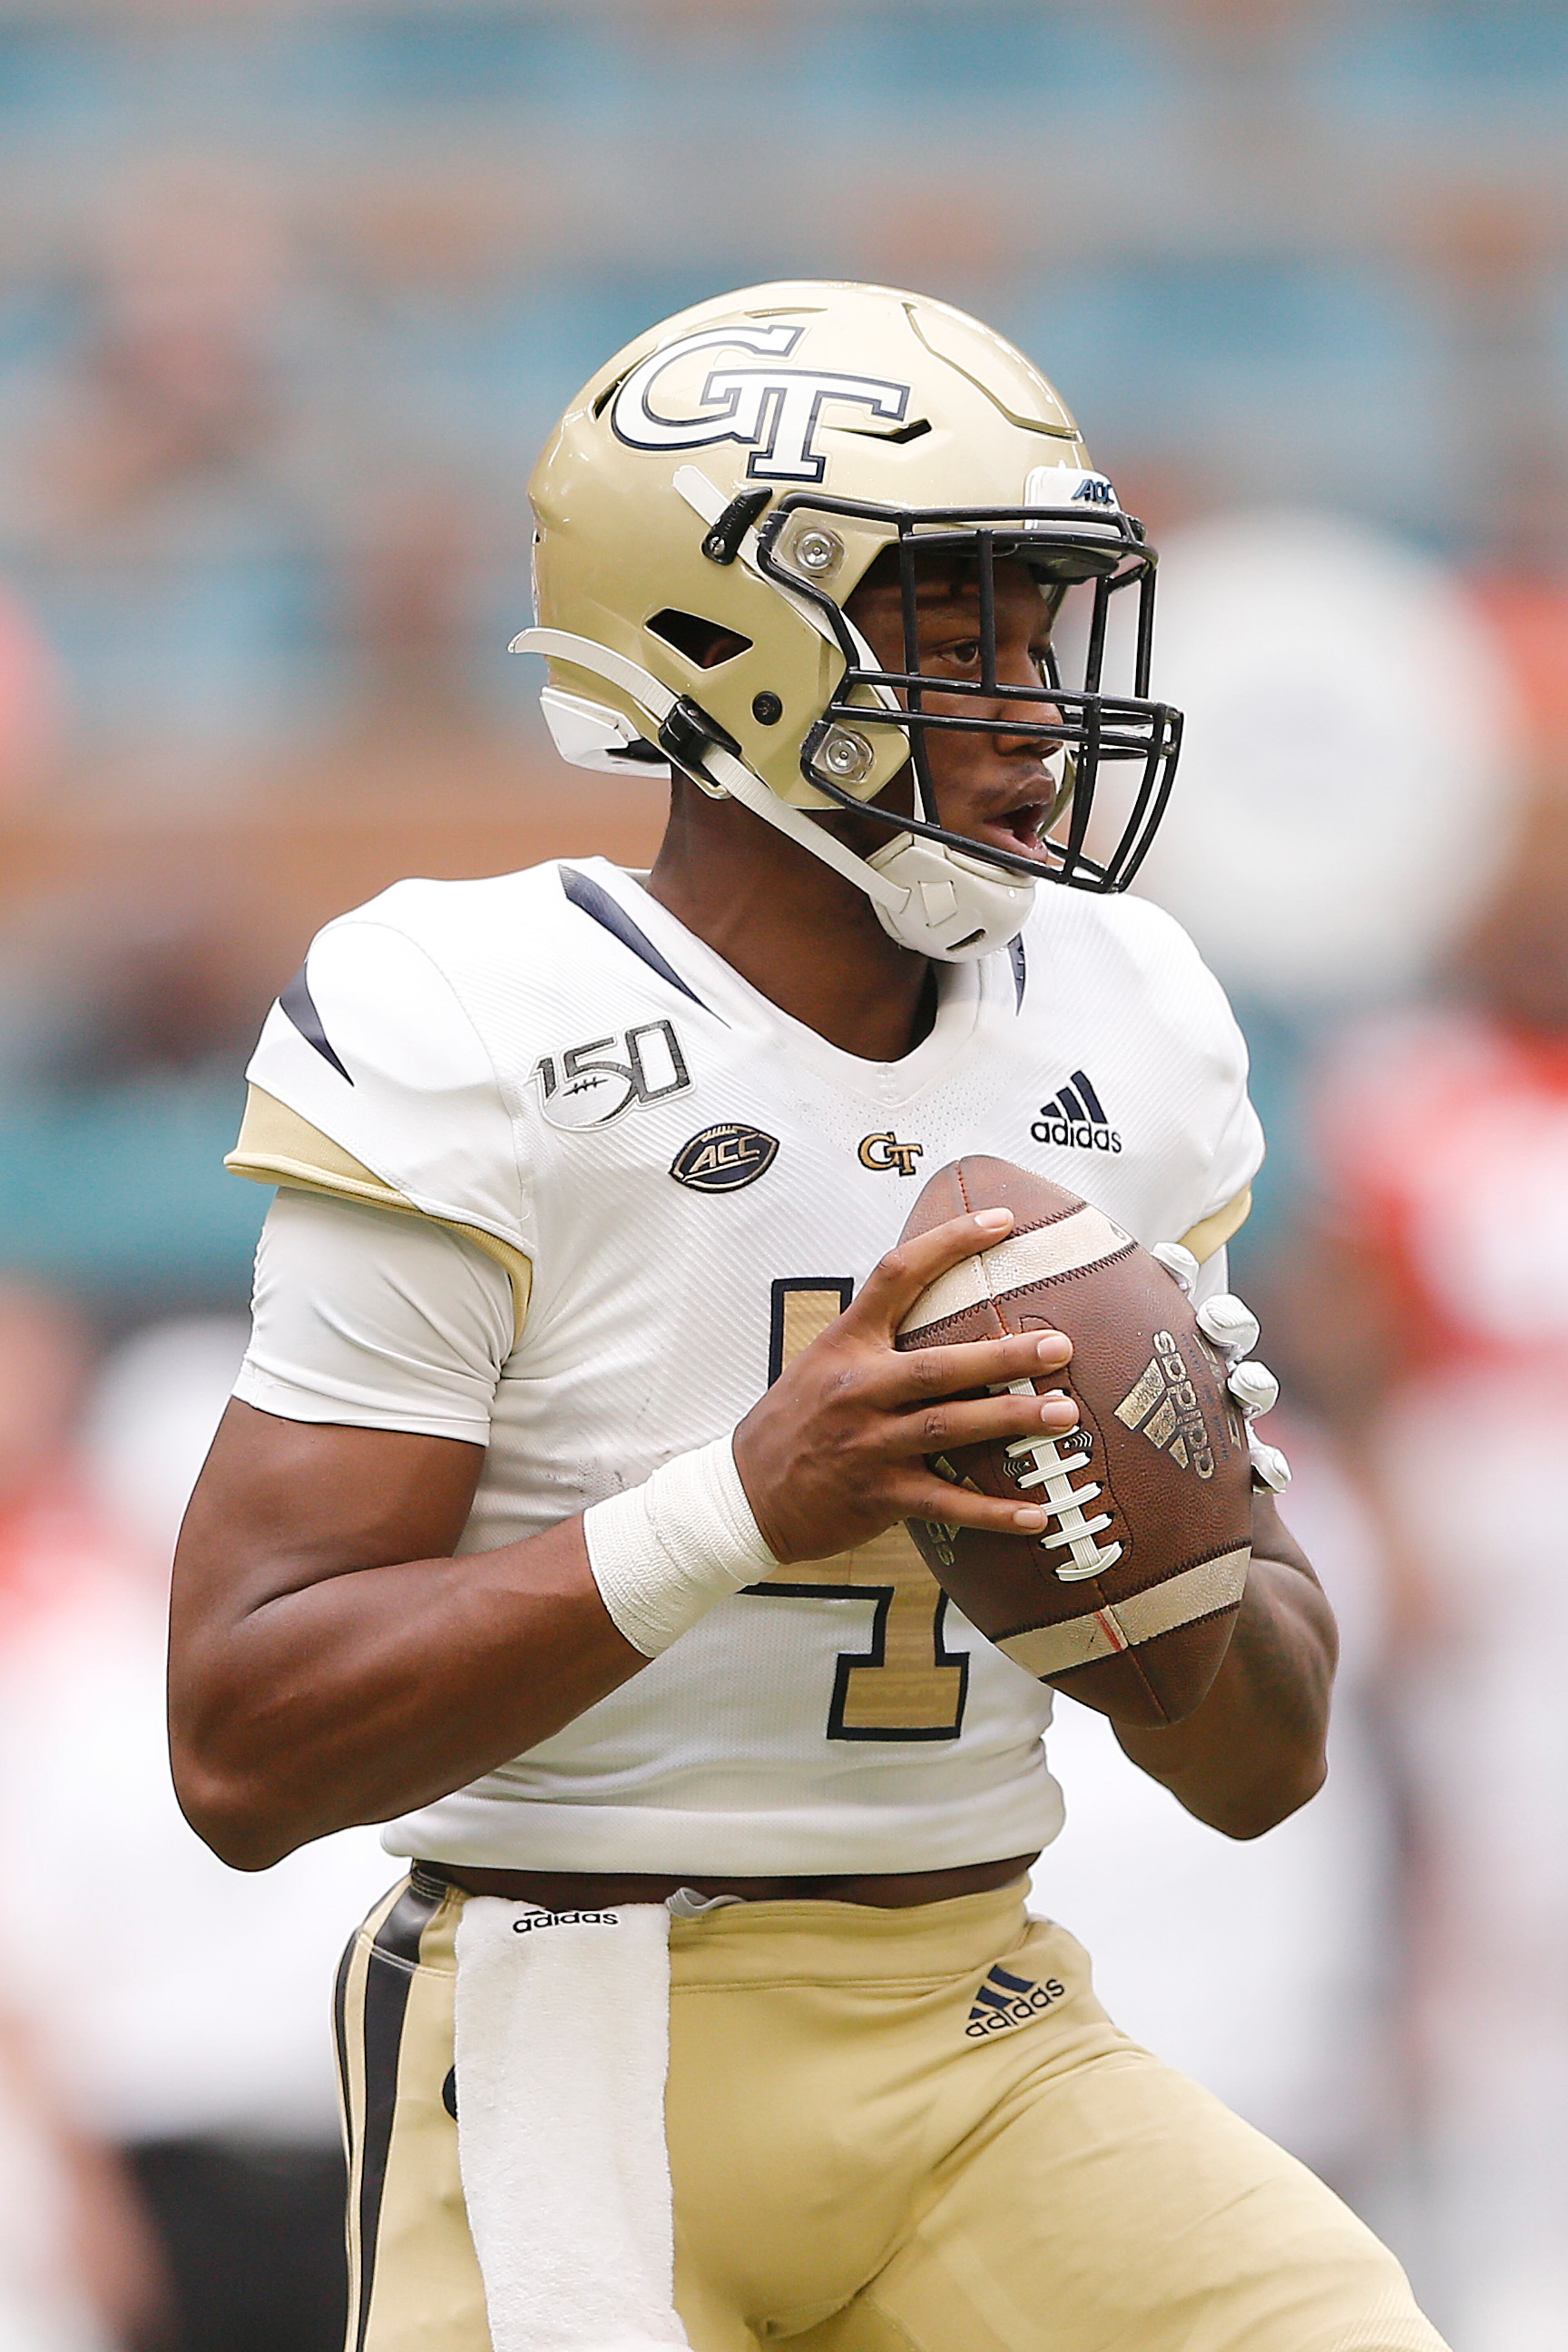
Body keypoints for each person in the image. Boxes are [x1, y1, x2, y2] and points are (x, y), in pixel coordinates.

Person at [168, 282, 1445, 2352]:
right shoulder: (474, 1026)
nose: (1035, 706)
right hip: (576, 2032)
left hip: (981, 2024)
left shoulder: (1134, 1021)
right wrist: (752, 1501)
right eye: (957, 632)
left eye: (1046, 631)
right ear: (717, 642)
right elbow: (236, 1747)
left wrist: (1148, 1541)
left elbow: (1260, 1764)